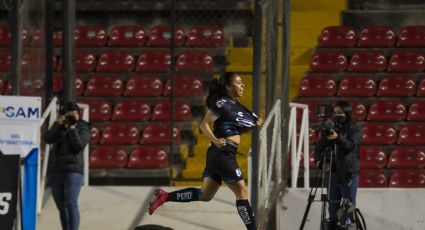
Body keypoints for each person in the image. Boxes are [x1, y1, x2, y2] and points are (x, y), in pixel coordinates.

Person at [148, 72, 263, 230]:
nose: (243, 85)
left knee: (205, 195)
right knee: (242, 191)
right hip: (223, 153)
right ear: (228, 87)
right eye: (239, 82)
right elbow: (203, 125)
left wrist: (253, 125)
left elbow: (234, 130)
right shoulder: (222, 102)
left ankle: (165, 196)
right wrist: (215, 140)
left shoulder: (237, 106)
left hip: (219, 154)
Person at [314, 101, 362, 228]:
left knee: (347, 210)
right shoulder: (332, 127)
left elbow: (349, 146)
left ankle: (345, 224)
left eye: (340, 113)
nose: (336, 115)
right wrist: (319, 163)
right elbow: (319, 147)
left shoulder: (354, 129)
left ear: (347, 113)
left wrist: (337, 137)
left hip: (348, 176)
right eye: (335, 113)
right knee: (333, 210)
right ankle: (335, 224)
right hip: (332, 176)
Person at [44, 101, 90, 230]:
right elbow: (47, 139)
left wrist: (73, 128)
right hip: (56, 170)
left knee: (71, 203)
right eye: (67, 114)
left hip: (73, 170)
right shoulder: (59, 126)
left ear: (78, 114)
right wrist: (57, 125)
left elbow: (79, 145)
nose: (69, 116)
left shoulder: (83, 126)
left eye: (72, 113)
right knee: (61, 205)